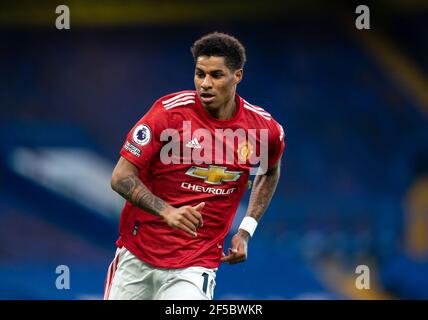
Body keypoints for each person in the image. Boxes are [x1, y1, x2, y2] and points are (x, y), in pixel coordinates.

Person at [104, 32, 285, 300]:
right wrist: (167, 211)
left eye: (216, 75)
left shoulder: (263, 130)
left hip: (195, 263)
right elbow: (120, 177)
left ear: (238, 76)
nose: (205, 84)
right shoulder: (168, 113)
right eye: (200, 74)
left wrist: (246, 230)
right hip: (137, 256)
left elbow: (270, 171)